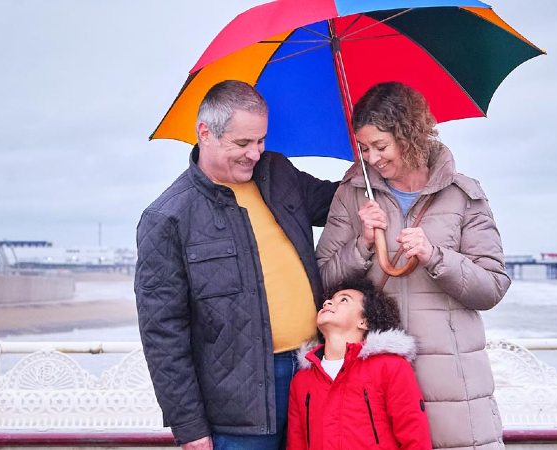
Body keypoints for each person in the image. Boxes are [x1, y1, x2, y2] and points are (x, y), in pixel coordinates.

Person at [136, 79, 338, 450]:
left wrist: (375, 166)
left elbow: (338, 203)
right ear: (205, 133)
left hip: (314, 375)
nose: (255, 153)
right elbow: (163, 335)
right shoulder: (167, 218)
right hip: (237, 406)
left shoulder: (278, 172)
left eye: (261, 140)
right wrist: (190, 427)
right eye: (242, 143)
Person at [316, 81, 510, 450]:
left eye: (380, 146)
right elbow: (323, 280)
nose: (371, 158)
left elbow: (492, 287)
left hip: (456, 393)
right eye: (364, 147)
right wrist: (362, 243)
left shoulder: (463, 195)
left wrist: (435, 256)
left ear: (408, 134)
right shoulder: (352, 195)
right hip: (375, 394)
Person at [286, 280, 431, 450]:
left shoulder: (390, 367)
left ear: (364, 321)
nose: (327, 303)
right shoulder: (302, 381)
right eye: (328, 300)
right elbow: (297, 444)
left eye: (344, 300)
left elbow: (415, 438)